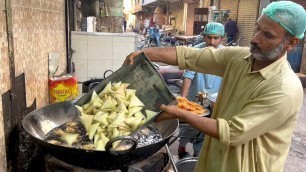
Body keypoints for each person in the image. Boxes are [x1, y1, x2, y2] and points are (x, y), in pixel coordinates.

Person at [125, 1, 306, 171]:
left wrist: (179, 112)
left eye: (267, 35)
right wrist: (146, 53)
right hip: (213, 158)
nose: (255, 39)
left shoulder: (284, 89)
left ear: (290, 43)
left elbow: (233, 132)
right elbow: (191, 56)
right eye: (257, 28)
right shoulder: (239, 59)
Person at [178, 22, 224, 159]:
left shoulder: (226, 54)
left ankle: (198, 157)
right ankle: (182, 145)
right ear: (203, 37)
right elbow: (188, 75)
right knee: (190, 126)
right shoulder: (196, 52)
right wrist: (183, 100)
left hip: (214, 98)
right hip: (198, 96)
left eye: (216, 38)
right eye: (209, 37)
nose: (212, 41)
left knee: (205, 129)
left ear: (222, 39)